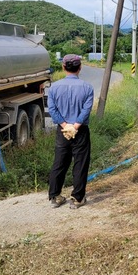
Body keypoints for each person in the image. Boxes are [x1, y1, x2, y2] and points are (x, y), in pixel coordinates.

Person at [47, 54, 94, 209]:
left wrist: (64, 125)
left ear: (63, 67)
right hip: (80, 131)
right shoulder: (87, 88)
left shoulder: (54, 87)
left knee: (59, 162)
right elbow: (86, 110)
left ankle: (55, 196)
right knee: (80, 163)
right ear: (80, 68)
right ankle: (77, 198)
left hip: (62, 131)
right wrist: (75, 126)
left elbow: (52, 110)